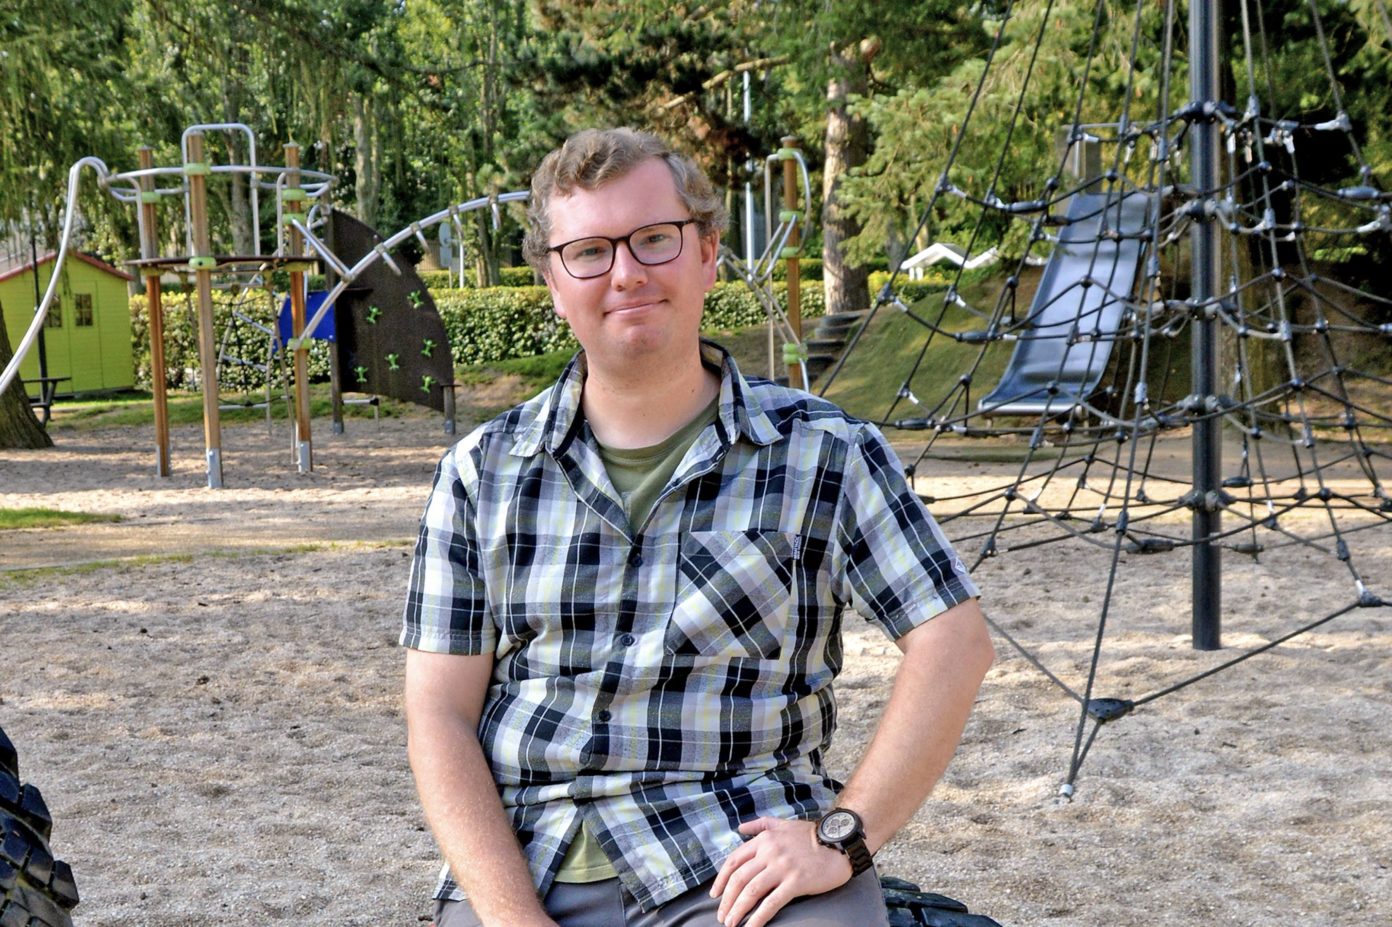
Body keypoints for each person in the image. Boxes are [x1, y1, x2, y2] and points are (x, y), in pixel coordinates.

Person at [401, 127, 994, 927]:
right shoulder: (481, 473)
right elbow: (438, 714)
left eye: (655, 239)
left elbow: (954, 642)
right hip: (527, 863)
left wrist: (842, 837)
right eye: (590, 252)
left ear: (708, 251)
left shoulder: (825, 452)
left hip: (739, 859)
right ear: (553, 281)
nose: (626, 273)